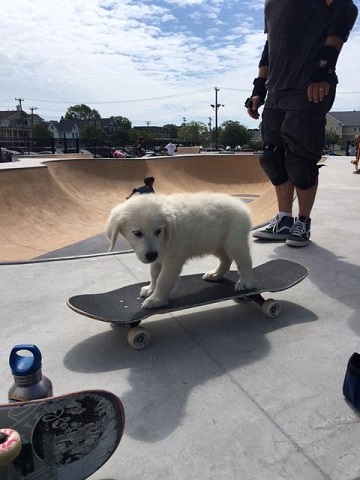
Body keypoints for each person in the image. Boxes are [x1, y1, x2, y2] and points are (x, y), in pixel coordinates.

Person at [246, 0, 358, 247]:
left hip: (308, 86)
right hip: (275, 88)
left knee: (300, 157)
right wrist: (258, 88)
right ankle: (284, 220)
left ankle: (303, 222)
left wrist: (323, 71)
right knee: (272, 156)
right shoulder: (271, 3)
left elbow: (344, 12)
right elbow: (270, 46)